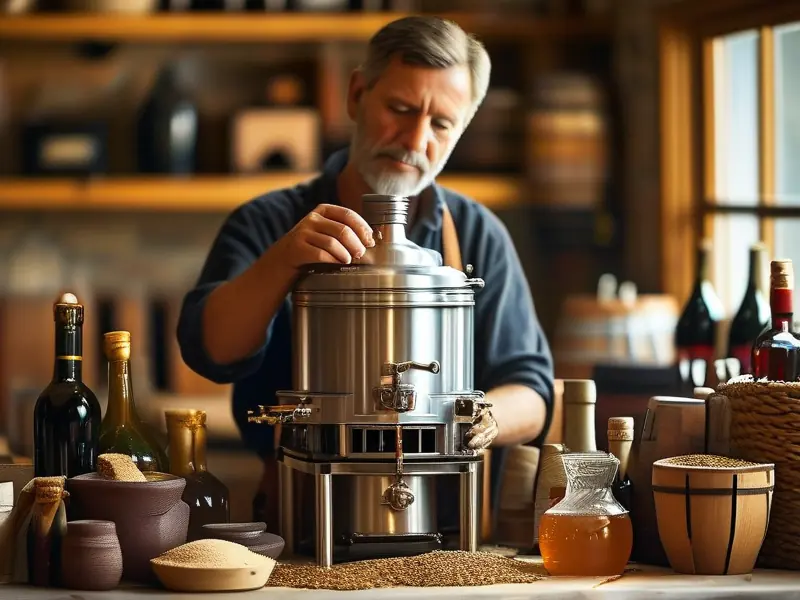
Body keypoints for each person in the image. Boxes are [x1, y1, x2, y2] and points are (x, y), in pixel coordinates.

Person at [177, 15, 555, 535]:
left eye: (441, 123)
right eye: (400, 109)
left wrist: (477, 419)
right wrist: (282, 262)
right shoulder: (266, 222)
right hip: (302, 522)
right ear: (356, 94)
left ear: (462, 128)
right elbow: (211, 352)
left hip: (450, 531)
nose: (415, 139)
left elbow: (533, 391)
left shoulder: (473, 234)